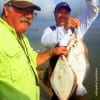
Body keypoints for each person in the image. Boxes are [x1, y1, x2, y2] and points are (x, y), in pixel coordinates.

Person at [0, 0, 69, 100]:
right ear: (6, 10)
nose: (29, 16)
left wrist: (53, 51)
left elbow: (34, 59)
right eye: (23, 10)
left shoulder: (23, 37)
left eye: (31, 12)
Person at [41, 0, 99, 100]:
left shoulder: (77, 28)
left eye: (66, 12)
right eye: (60, 12)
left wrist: (90, 1)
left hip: (76, 85)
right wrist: (64, 28)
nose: (63, 15)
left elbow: (93, 13)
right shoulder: (50, 30)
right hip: (60, 80)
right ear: (54, 14)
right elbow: (45, 42)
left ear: (69, 14)